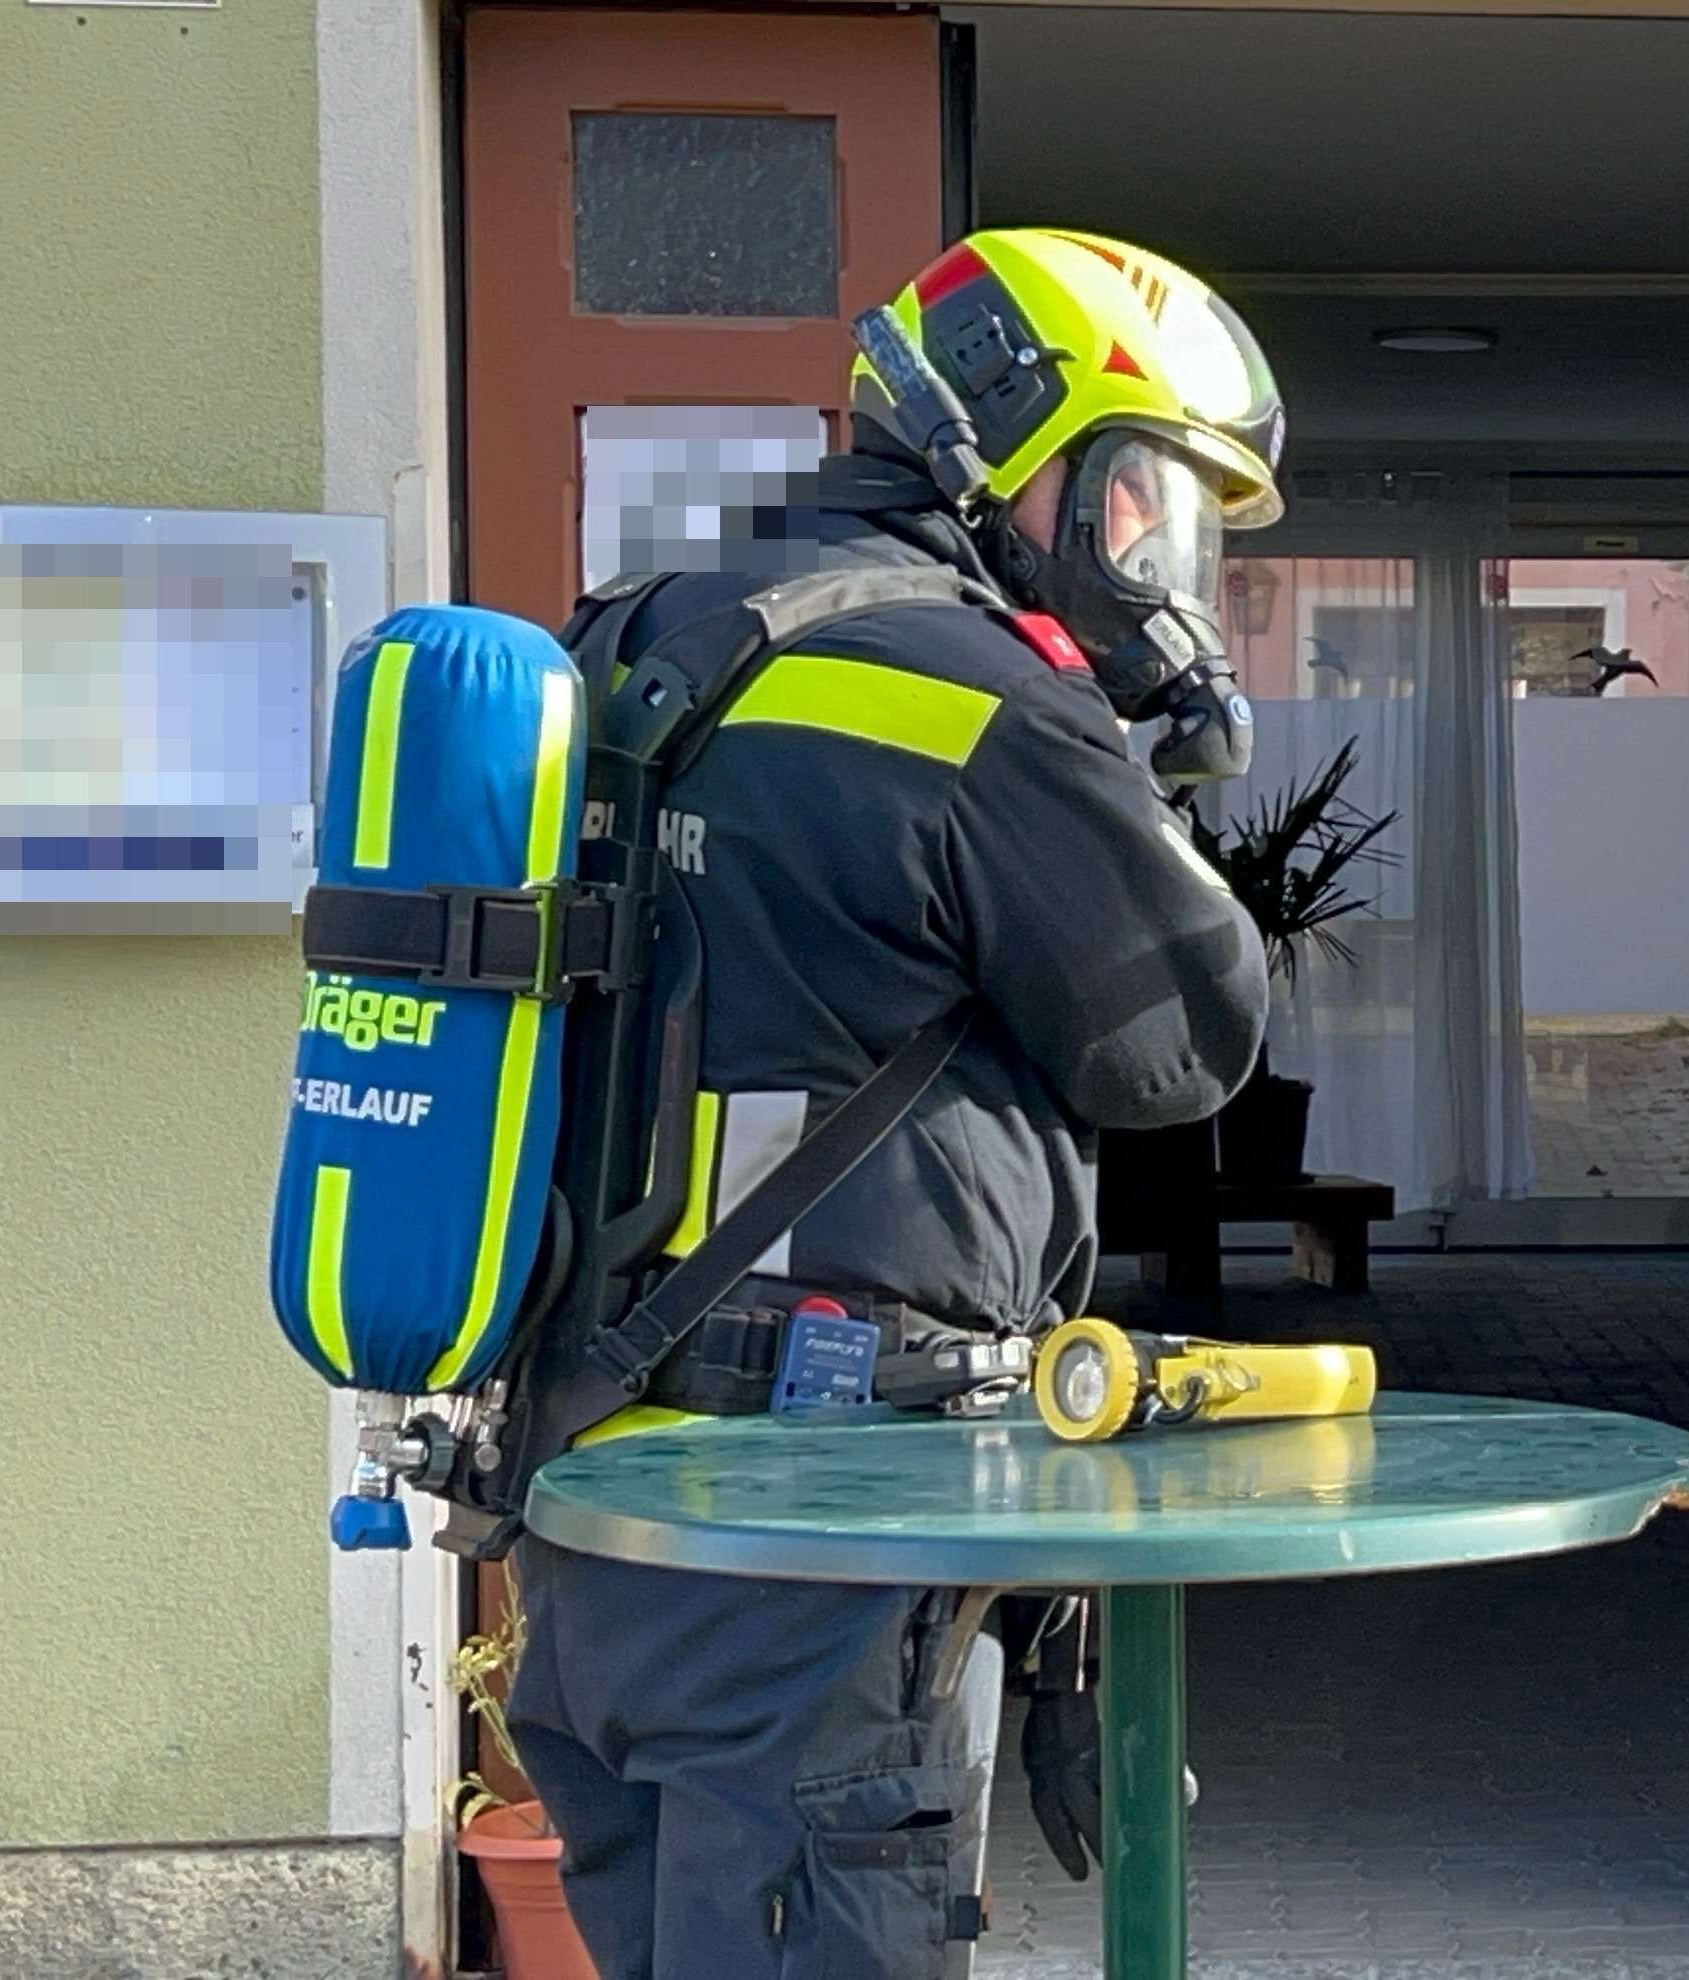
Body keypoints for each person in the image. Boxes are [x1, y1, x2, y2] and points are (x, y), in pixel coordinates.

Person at [500, 227, 1279, 1980]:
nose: (1163, 554)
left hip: (599, 1498)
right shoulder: (977, 697)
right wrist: (1145, 758)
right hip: (817, 1521)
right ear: (1030, 460)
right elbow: (1185, 1046)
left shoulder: (646, 634)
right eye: (1149, 495)